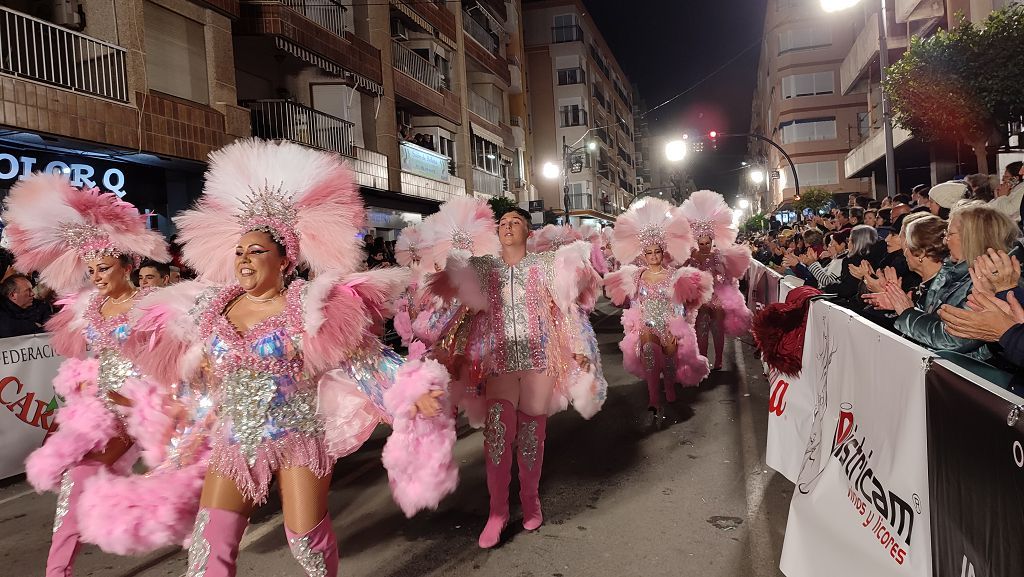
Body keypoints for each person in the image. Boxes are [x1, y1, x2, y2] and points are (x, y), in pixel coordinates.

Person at [130, 139, 454, 576]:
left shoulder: (311, 307)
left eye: (257, 252)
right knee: (209, 548)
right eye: (240, 252)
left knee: (306, 544)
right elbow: (196, 373)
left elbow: (365, 358)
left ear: (284, 260)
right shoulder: (210, 308)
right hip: (234, 439)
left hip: (297, 437)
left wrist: (412, 393)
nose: (244, 260)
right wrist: (179, 407)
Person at [3, 173, 174, 576]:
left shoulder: (153, 304)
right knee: (75, 485)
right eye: (93, 270)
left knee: (97, 482)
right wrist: (84, 382)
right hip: (101, 409)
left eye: (105, 268)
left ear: (128, 265)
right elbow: (84, 357)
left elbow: (172, 358)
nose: (97, 277)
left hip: (138, 410)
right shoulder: (88, 307)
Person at [427, 206, 606, 549]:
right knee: (497, 433)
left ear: (528, 231)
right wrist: (455, 350)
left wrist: (579, 346)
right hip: (500, 361)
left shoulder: (545, 265)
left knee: (531, 436)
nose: (508, 226)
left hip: (539, 359)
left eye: (516, 222)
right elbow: (465, 310)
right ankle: (497, 512)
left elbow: (566, 309)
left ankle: (530, 500)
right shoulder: (485, 268)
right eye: (504, 223)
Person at [603, 198, 712, 425]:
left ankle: (669, 387)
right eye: (649, 252)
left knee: (669, 364)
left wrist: (675, 330)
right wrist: (634, 326)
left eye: (657, 252)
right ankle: (654, 399)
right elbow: (634, 304)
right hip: (646, 324)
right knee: (650, 352)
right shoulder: (636, 276)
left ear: (663, 252)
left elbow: (678, 305)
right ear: (643, 255)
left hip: (669, 325)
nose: (653, 256)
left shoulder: (673, 276)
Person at [867, 204, 1018, 360]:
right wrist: (898, 303)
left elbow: (951, 339)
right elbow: (933, 317)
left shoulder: (990, 280)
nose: (945, 241)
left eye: (950, 234)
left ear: (970, 238)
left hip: (963, 372)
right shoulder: (955, 272)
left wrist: (907, 312)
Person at [680, 190, 753, 371]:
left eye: (707, 243)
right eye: (701, 243)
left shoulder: (719, 255)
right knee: (701, 329)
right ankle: (703, 360)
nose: (704, 246)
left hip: (717, 296)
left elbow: (728, 276)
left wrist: (718, 278)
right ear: (697, 242)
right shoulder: (691, 256)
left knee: (717, 329)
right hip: (699, 298)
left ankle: (719, 360)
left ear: (712, 241)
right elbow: (683, 273)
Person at [0, 273, 51, 337]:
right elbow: (6, 330)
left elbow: (50, 330)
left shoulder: (41, 307)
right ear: (13, 295)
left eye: (31, 289)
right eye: (28, 290)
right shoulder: (2, 310)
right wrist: (32, 326)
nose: (33, 294)